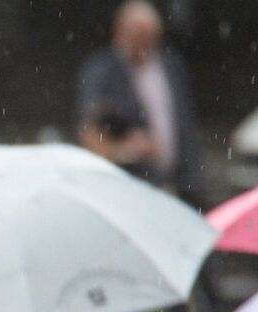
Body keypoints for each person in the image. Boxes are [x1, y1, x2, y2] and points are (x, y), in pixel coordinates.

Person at [77, 0, 203, 204]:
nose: (145, 46)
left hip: (176, 185)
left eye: (150, 39)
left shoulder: (171, 66)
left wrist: (194, 176)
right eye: (139, 37)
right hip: (128, 187)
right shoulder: (101, 72)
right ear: (120, 32)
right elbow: (90, 130)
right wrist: (128, 146)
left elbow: (185, 123)